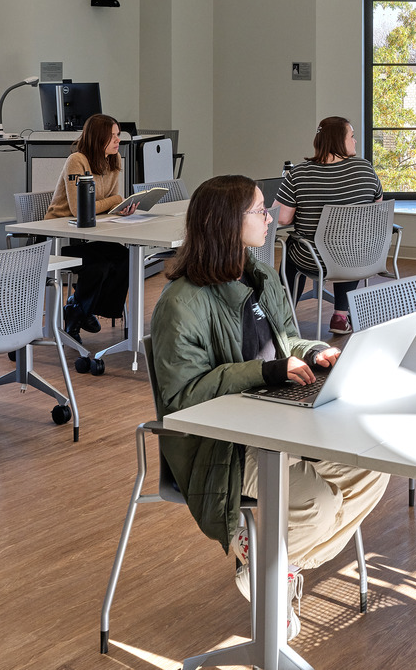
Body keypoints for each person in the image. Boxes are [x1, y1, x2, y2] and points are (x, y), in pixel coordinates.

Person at [150, 175, 389, 632]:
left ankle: (269, 564)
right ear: (226, 224)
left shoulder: (259, 276)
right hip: (221, 445)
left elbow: (286, 342)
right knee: (317, 504)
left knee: (374, 468)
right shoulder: (181, 304)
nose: (269, 215)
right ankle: (271, 566)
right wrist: (266, 373)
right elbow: (181, 399)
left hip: (280, 419)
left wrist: (311, 352)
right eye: (259, 210)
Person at [273, 116, 385, 335]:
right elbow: (377, 208)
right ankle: (340, 317)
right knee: (346, 244)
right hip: (364, 257)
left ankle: (283, 318)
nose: (355, 142)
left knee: (292, 248)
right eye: (351, 137)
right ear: (337, 141)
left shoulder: (299, 174)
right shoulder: (365, 168)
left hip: (316, 260)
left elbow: (282, 218)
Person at [46, 114, 144, 337]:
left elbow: (106, 202)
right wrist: (117, 201)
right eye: (112, 136)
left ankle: (80, 311)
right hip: (58, 238)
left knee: (123, 257)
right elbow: (80, 209)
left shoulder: (113, 159)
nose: (118, 140)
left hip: (88, 233)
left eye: (118, 135)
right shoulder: (77, 160)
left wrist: (119, 206)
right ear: (98, 138)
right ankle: (80, 311)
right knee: (98, 265)